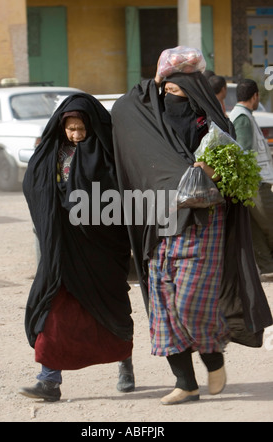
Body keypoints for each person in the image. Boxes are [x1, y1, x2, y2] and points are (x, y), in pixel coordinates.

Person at [112, 47, 273, 405]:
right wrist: (155, 79)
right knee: (163, 307)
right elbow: (124, 108)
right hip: (160, 222)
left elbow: (234, 170)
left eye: (178, 89)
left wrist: (212, 172)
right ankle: (185, 382)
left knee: (189, 303)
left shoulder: (213, 125)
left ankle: (213, 360)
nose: (170, 94)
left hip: (204, 221)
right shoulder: (150, 120)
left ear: (196, 90)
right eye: (165, 89)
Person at [19, 92, 135, 402]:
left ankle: (125, 364)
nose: (76, 135)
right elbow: (35, 185)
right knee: (54, 310)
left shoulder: (108, 154)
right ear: (60, 126)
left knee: (112, 308)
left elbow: (117, 198)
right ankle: (49, 380)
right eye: (70, 128)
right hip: (62, 249)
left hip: (100, 248)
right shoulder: (52, 152)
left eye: (81, 129)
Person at [229, 79, 273, 278]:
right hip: (255, 184)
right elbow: (244, 152)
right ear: (255, 96)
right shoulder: (243, 118)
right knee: (268, 224)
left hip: (253, 183)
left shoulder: (245, 115)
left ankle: (267, 268)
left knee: (256, 229)